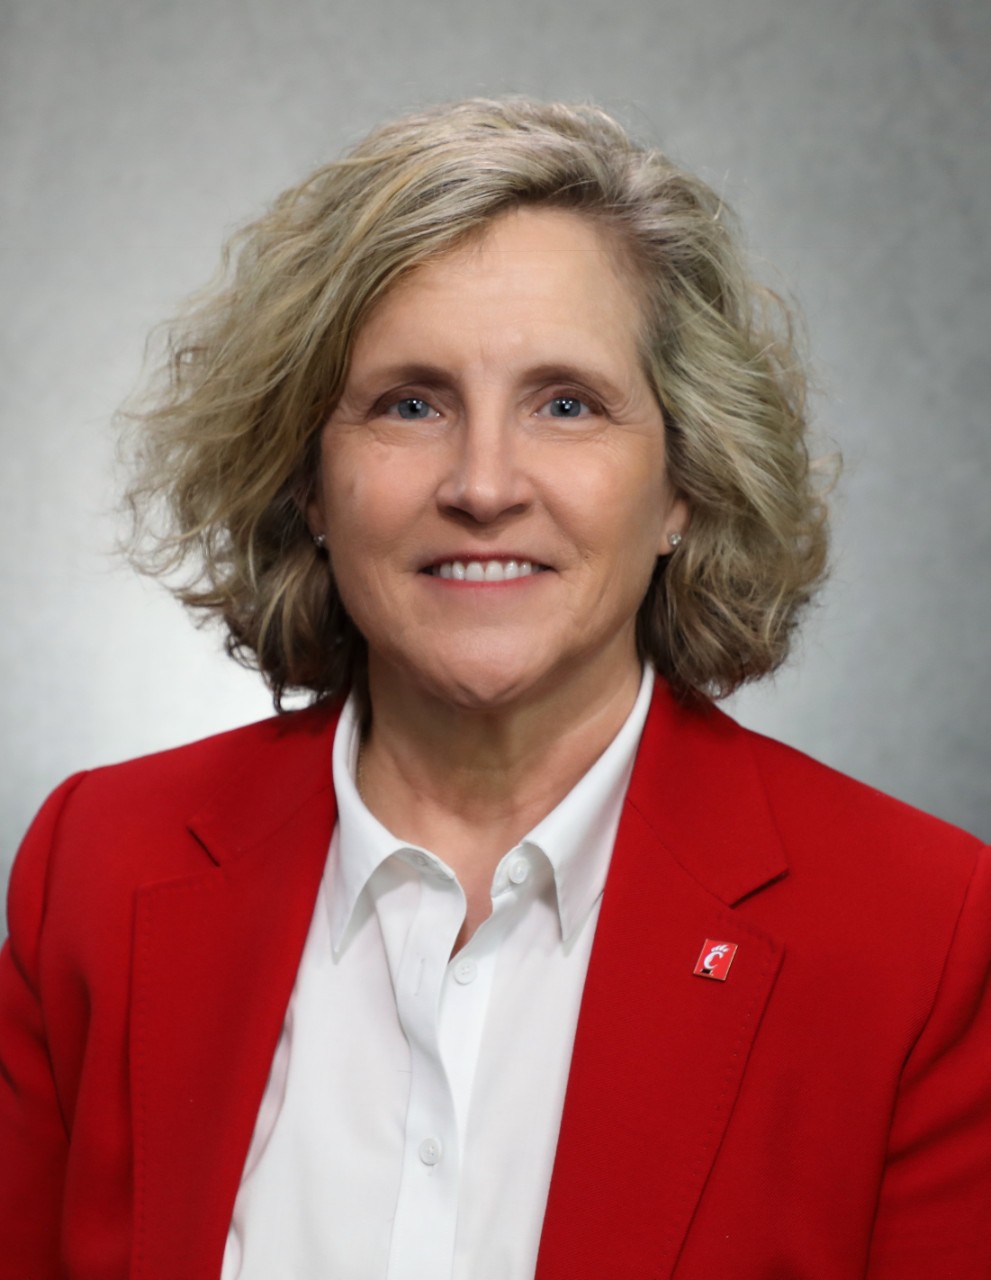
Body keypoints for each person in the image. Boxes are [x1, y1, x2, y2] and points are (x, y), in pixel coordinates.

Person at [1, 98, 988, 1280]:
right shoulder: (98, 866)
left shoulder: (921, 931)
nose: (482, 484)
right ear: (309, 480)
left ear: (682, 482)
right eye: (409, 403)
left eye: (565, 403)